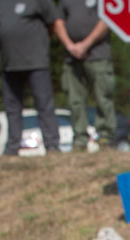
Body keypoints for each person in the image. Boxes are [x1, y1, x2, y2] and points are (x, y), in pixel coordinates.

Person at [0, 0, 59, 155]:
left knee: (44, 104)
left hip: (36, 61)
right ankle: (12, 147)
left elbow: (52, 24)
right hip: (9, 64)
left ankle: (52, 145)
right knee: (12, 108)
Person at [54, 0, 114, 151]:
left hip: (98, 54)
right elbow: (58, 22)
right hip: (72, 56)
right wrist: (70, 46)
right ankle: (80, 139)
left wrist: (86, 44)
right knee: (75, 100)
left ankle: (105, 137)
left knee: (103, 97)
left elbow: (108, 18)